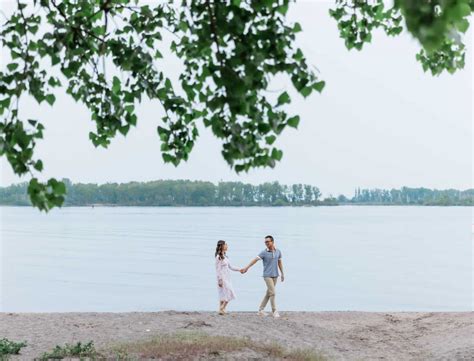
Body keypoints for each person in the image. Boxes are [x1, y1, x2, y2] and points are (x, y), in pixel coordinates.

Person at [241, 235, 284, 318]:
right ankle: (274, 311)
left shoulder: (278, 251)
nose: (266, 243)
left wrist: (282, 273)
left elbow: (279, 263)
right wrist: (246, 268)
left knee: (269, 293)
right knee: (273, 293)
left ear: (272, 242)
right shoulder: (264, 252)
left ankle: (261, 310)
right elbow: (255, 260)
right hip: (267, 275)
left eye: (268, 241)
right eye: (265, 242)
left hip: (275, 275)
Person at [215, 240, 241, 315]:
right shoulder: (218, 257)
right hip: (222, 278)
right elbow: (218, 269)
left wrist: (240, 269)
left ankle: (222, 310)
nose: (227, 246)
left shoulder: (225, 257)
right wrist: (220, 280)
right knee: (230, 293)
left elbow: (231, 267)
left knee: (223, 294)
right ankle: (221, 308)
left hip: (227, 278)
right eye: (225, 244)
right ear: (222, 246)